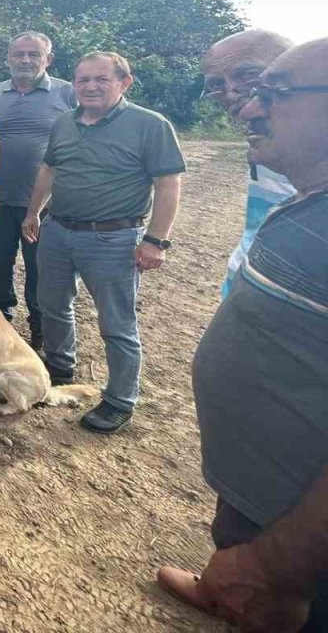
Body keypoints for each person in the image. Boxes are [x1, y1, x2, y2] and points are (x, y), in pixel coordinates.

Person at [158, 37, 328, 632]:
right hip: (264, 484)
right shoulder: (294, 178)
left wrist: (275, 565)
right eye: (222, 86)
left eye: (267, 90)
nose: (245, 105)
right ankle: (231, 574)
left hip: (299, 531)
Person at [22, 51, 184, 434]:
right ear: (73, 84)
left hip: (113, 236)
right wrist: (33, 213)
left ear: (124, 83)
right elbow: (49, 170)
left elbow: (168, 183)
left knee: (117, 321)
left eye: (101, 79)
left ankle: (119, 400)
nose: (90, 87)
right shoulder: (65, 122)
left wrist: (156, 240)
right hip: (59, 231)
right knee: (53, 305)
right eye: (83, 80)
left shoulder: (150, 125)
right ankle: (59, 367)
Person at [0, 32, 75, 349]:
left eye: (33, 54)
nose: (25, 60)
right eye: (19, 54)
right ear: (8, 58)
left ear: (47, 59)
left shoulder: (69, 94)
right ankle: (2, 321)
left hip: (49, 206)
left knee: (42, 270)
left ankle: (40, 330)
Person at [200, 29, 296, 297]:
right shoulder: (265, 139)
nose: (230, 92)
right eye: (217, 84)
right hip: (247, 293)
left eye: (248, 74)